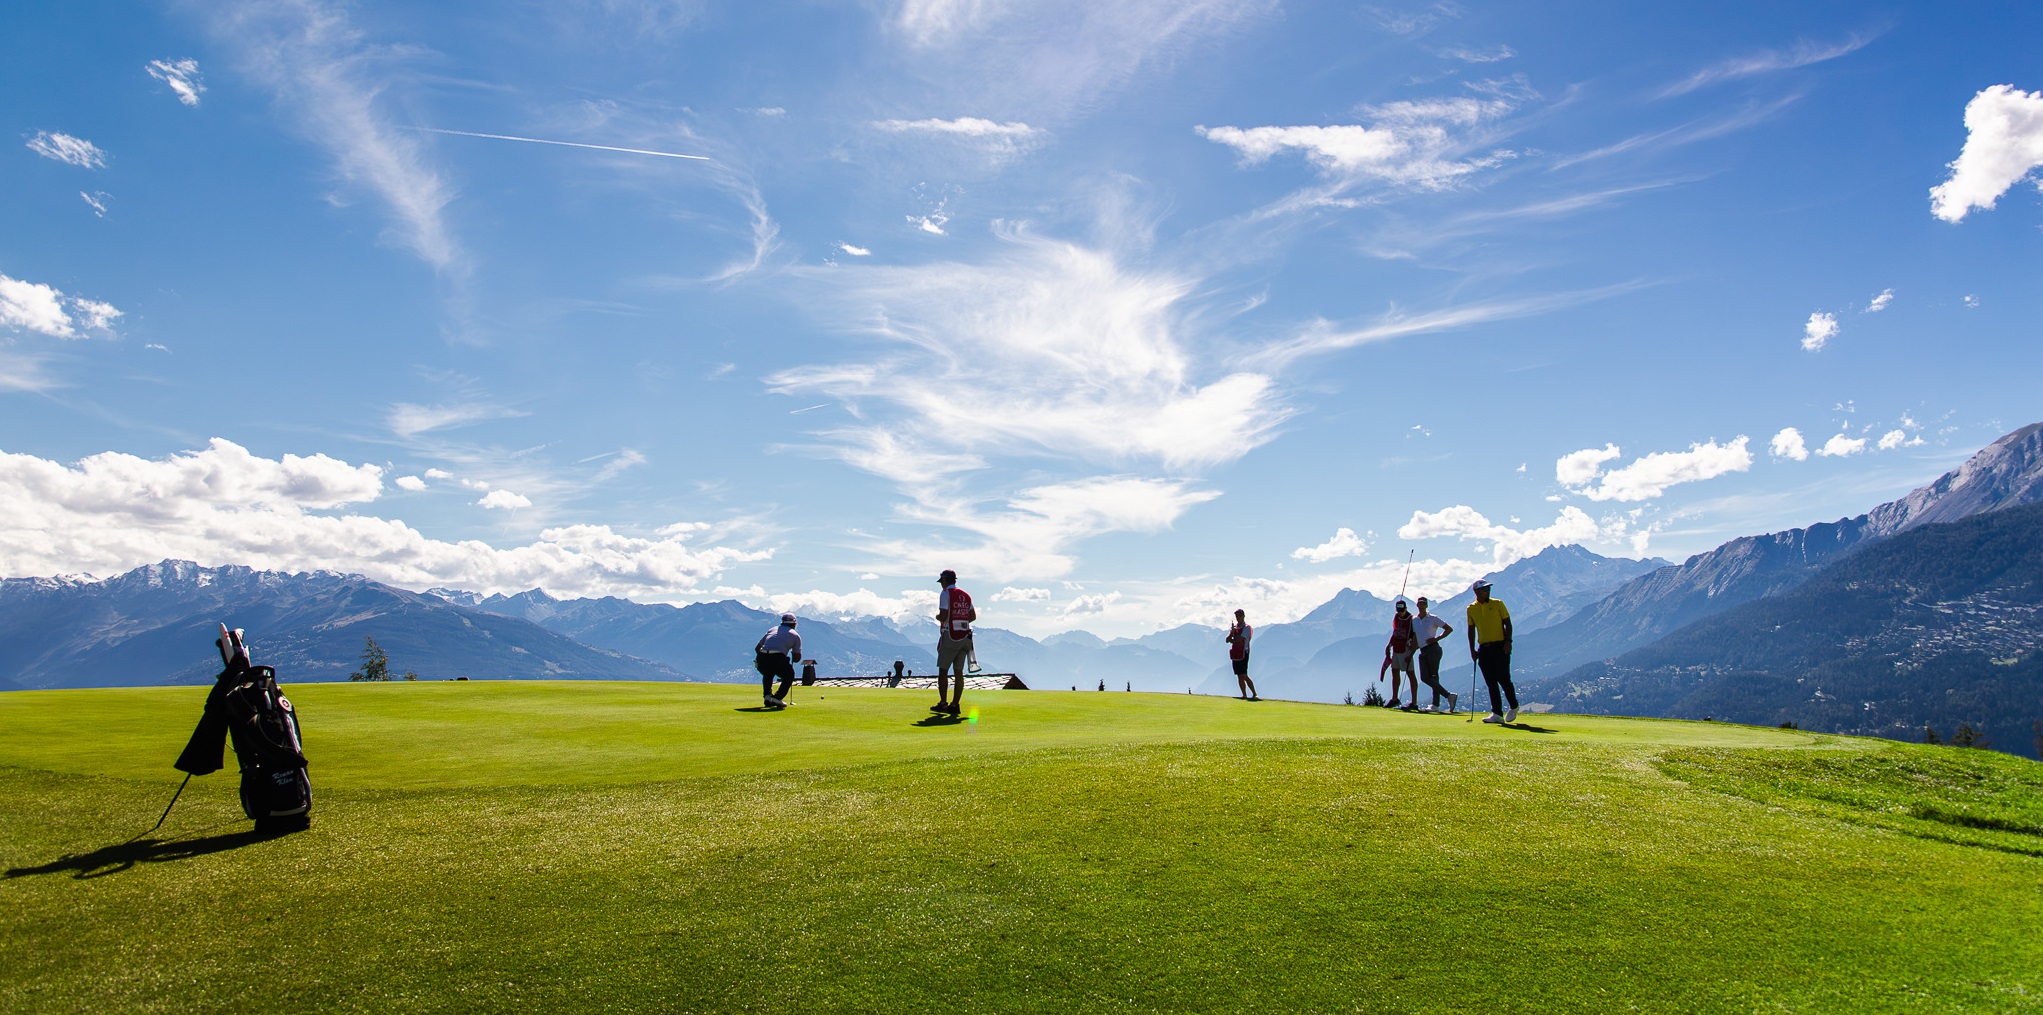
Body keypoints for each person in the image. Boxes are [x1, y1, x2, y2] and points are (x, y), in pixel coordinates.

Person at [1464, 579, 1518, 724]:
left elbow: (1508, 624)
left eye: (1488, 589)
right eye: (1484, 589)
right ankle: (1497, 713)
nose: (1488, 591)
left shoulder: (1498, 604)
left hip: (1500, 646)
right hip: (1483, 648)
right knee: (1491, 682)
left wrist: (1508, 641)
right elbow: (1471, 630)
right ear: (1476, 591)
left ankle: (1514, 705)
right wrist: (1472, 650)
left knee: (1504, 679)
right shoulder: (1471, 608)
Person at [932, 569, 976, 716]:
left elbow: (943, 615)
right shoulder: (966, 595)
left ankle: (943, 703)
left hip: (950, 635)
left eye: (941, 581)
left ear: (944, 580)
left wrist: (937, 617)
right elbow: (972, 616)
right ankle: (955, 705)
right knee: (958, 672)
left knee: (943, 670)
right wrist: (960, 619)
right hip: (965, 637)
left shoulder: (945, 594)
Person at [1411, 596, 1457, 713]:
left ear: (1426, 605)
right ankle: (1448, 696)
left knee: (1433, 677)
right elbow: (1416, 638)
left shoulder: (1433, 618)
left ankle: (1436, 704)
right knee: (1425, 677)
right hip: (1422, 650)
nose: (1422, 605)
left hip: (1433, 649)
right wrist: (1411, 653)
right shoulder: (1414, 620)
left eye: (1424, 603)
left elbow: (1448, 629)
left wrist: (1436, 639)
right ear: (1417, 605)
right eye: (1420, 603)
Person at [754, 613, 802, 709]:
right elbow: (796, 659)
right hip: (777, 658)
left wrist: (764, 658)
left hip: (761, 657)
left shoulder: (772, 629)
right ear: (794, 624)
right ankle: (777, 698)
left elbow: (757, 648)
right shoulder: (795, 635)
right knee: (789, 675)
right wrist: (792, 653)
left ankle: (767, 696)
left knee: (768, 673)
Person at [1380, 599, 1419, 710]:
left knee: (1411, 674)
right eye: (1398, 610)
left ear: (1406, 609)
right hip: (1396, 649)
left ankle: (1414, 702)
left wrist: (1411, 653)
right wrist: (1389, 645)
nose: (1400, 613)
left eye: (1402, 610)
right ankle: (1394, 698)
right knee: (1394, 672)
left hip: (1406, 650)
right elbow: (1395, 632)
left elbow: (1415, 637)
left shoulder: (1412, 620)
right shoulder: (1397, 617)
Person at [1225, 609, 1259, 700]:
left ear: (1243, 616)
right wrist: (1231, 633)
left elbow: (1240, 640)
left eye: (1239, 616)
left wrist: (1232, 640)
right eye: (1237, 616)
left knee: (1244, 674)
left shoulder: (1247, 628)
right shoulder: (1235, 628)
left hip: (1243, 652)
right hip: (1236, 653)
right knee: (1239, 675)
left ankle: (1254, 693)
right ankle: (1244, 695)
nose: (1238, 617)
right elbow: (1227, 640)